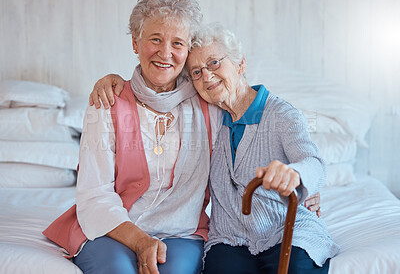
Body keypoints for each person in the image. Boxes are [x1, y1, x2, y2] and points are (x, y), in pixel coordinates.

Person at [91, 23, 336, 273]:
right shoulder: (207, 115)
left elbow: (313, 163)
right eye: (196, 72)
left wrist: (297, 175)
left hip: (286, 233)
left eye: (214, 63)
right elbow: (161, 89)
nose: (206, 76)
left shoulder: (282, 115)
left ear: (240, 63)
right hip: (229, 240)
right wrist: (115, 82)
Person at [43, 0, 210, 274]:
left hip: (180, 231)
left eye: (177, 43)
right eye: (155, 39)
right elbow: (94, 194)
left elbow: (248, 139)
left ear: (188, 51)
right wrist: (140, 240)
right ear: (135, 42)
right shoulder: (107, 102)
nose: (165, 52)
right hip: (112, 229)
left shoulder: (207, 105)